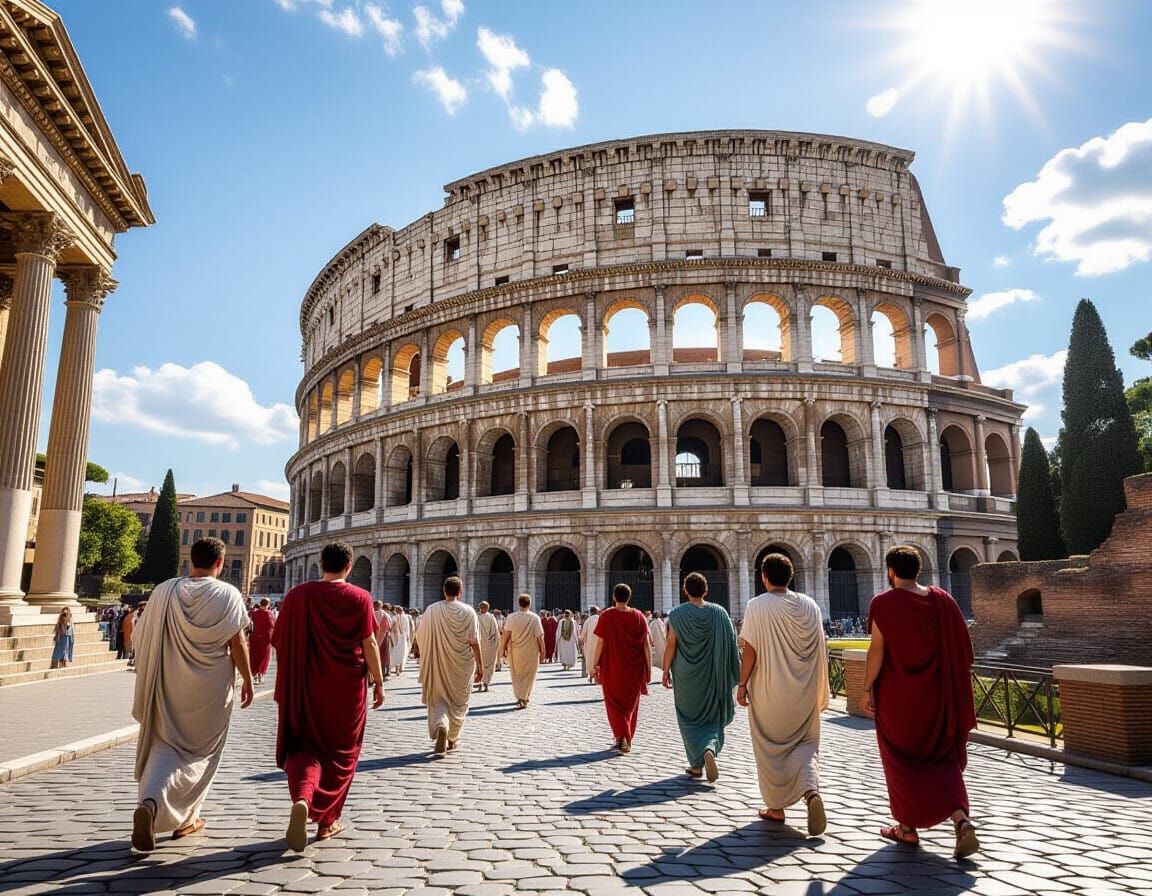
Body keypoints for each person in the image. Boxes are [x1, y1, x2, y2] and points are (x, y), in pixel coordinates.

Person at [130, 538, 253, 853]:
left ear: (190, 560)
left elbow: (139, 634)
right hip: (210, 690)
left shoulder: (164, 590)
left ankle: (150, 804)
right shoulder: (228, 594)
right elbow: (237, 642)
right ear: (221, 563)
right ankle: (187, 819)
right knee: (201, 754)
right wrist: (248, 679)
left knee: (163, 745)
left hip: (168, 682)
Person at [863, 545, 980, 859]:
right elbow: (964, 651)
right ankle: (961, 819)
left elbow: (877, 650)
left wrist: (865, 688)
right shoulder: (942, 600)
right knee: (943, 759)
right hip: (938, 698)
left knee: (900, 761)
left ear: (890, 571)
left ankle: (906, 828)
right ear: (918, 569)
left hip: (897, 700)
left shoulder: (884, 603)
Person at [274, 542, 385, 850]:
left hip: (306, 684)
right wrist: (378, 681)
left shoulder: (297, 596)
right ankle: (327, 822)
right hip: (346, 690)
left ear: (321, 563)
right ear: (349, 567)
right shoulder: (359, 597)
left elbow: (279, 639)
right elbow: (370, 643)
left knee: (303, 746)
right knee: (341, 754)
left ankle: (302, 799)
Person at [737, 552, 829, 836]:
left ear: (764, 577)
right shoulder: (811, 605)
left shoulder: (757, 605)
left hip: (769, 690)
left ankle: (776, 808)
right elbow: (820, 648)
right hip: (804, 690)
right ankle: (811, 792)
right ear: (791, 576)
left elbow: (750, 650)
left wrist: (742, 684)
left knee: (771, 749)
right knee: (805, 745)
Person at [662, 572, 740, 782]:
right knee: (712, 716)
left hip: (686, 675)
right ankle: (709, 748)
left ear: (685, 590)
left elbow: (671, 644)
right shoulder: (720, 613)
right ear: (706, 589)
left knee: (687, 717)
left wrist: (664, 670)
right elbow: (732, 645)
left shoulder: (677, 614)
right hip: (714, 673)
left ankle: (696, 765)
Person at [415, 576, 482, 754]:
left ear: (444, 591)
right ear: (461, 592)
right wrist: (481, 665)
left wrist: (426, 653)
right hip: (462, 665)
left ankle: (441, 725)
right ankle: (453, 738)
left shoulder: (431, 610)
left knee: (438, 699)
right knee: (459, 702)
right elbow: (474, 642)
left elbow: (420, 635)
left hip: (437, 662)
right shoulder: (469, 612)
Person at [588, 584, 652, 753]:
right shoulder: (639, 616)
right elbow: (646, 645)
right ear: (629, 597)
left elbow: (600, 642)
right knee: (631, 705)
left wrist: (595, 664)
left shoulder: (607, 616)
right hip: (635, 668)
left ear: (614, 597)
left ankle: (622, 736)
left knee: (614, 703)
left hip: (612, 666)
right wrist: (649, 669)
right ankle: (626, 737)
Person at [500, 594, 545, 709]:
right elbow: (540, 637)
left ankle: (521, 696)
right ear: (529, 604)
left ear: (518, 603)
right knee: (530, 675)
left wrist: (503, 649)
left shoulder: (511, 617)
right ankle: (525, 696)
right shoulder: (535, 618)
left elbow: (506, 635)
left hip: (516, 651)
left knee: (517, 675)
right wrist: (543, 652)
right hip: (532, 651)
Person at [249, 598, 275, 686]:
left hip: (255, 638)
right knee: (263, 658)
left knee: (254, 657)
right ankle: (260, 676)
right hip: (265, 639)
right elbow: (272, 626)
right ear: (268, 604)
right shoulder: (269, 613)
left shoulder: (254, 613)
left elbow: (251, 614)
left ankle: (255, 675)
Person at [476, 601, 500, 692]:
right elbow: (495, 632)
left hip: (479, 645)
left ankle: (479, 683)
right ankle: (486, 683)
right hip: (490, 646)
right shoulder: (491, 618)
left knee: (479, 665)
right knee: (489, 665)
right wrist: (496, 644)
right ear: (487, 608)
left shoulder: (476, 618)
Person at [390, 602, 413, 675]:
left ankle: (397, 669)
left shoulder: (394, 617)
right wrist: (408, 637)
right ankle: (399, 669)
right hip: (402, 636)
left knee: (396, 652)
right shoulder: (405, 617)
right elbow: (407, 628)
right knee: (401, 652)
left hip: (396, 636)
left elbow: (392, 628)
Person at [579, 606, 600, 680]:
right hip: (599, 644)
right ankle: (597, 676)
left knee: (590, 659)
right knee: (598, 659)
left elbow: (583, 633)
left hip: (589, 644)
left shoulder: (588, 620)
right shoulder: (601, 619)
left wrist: (581, 641)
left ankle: (591, 675)